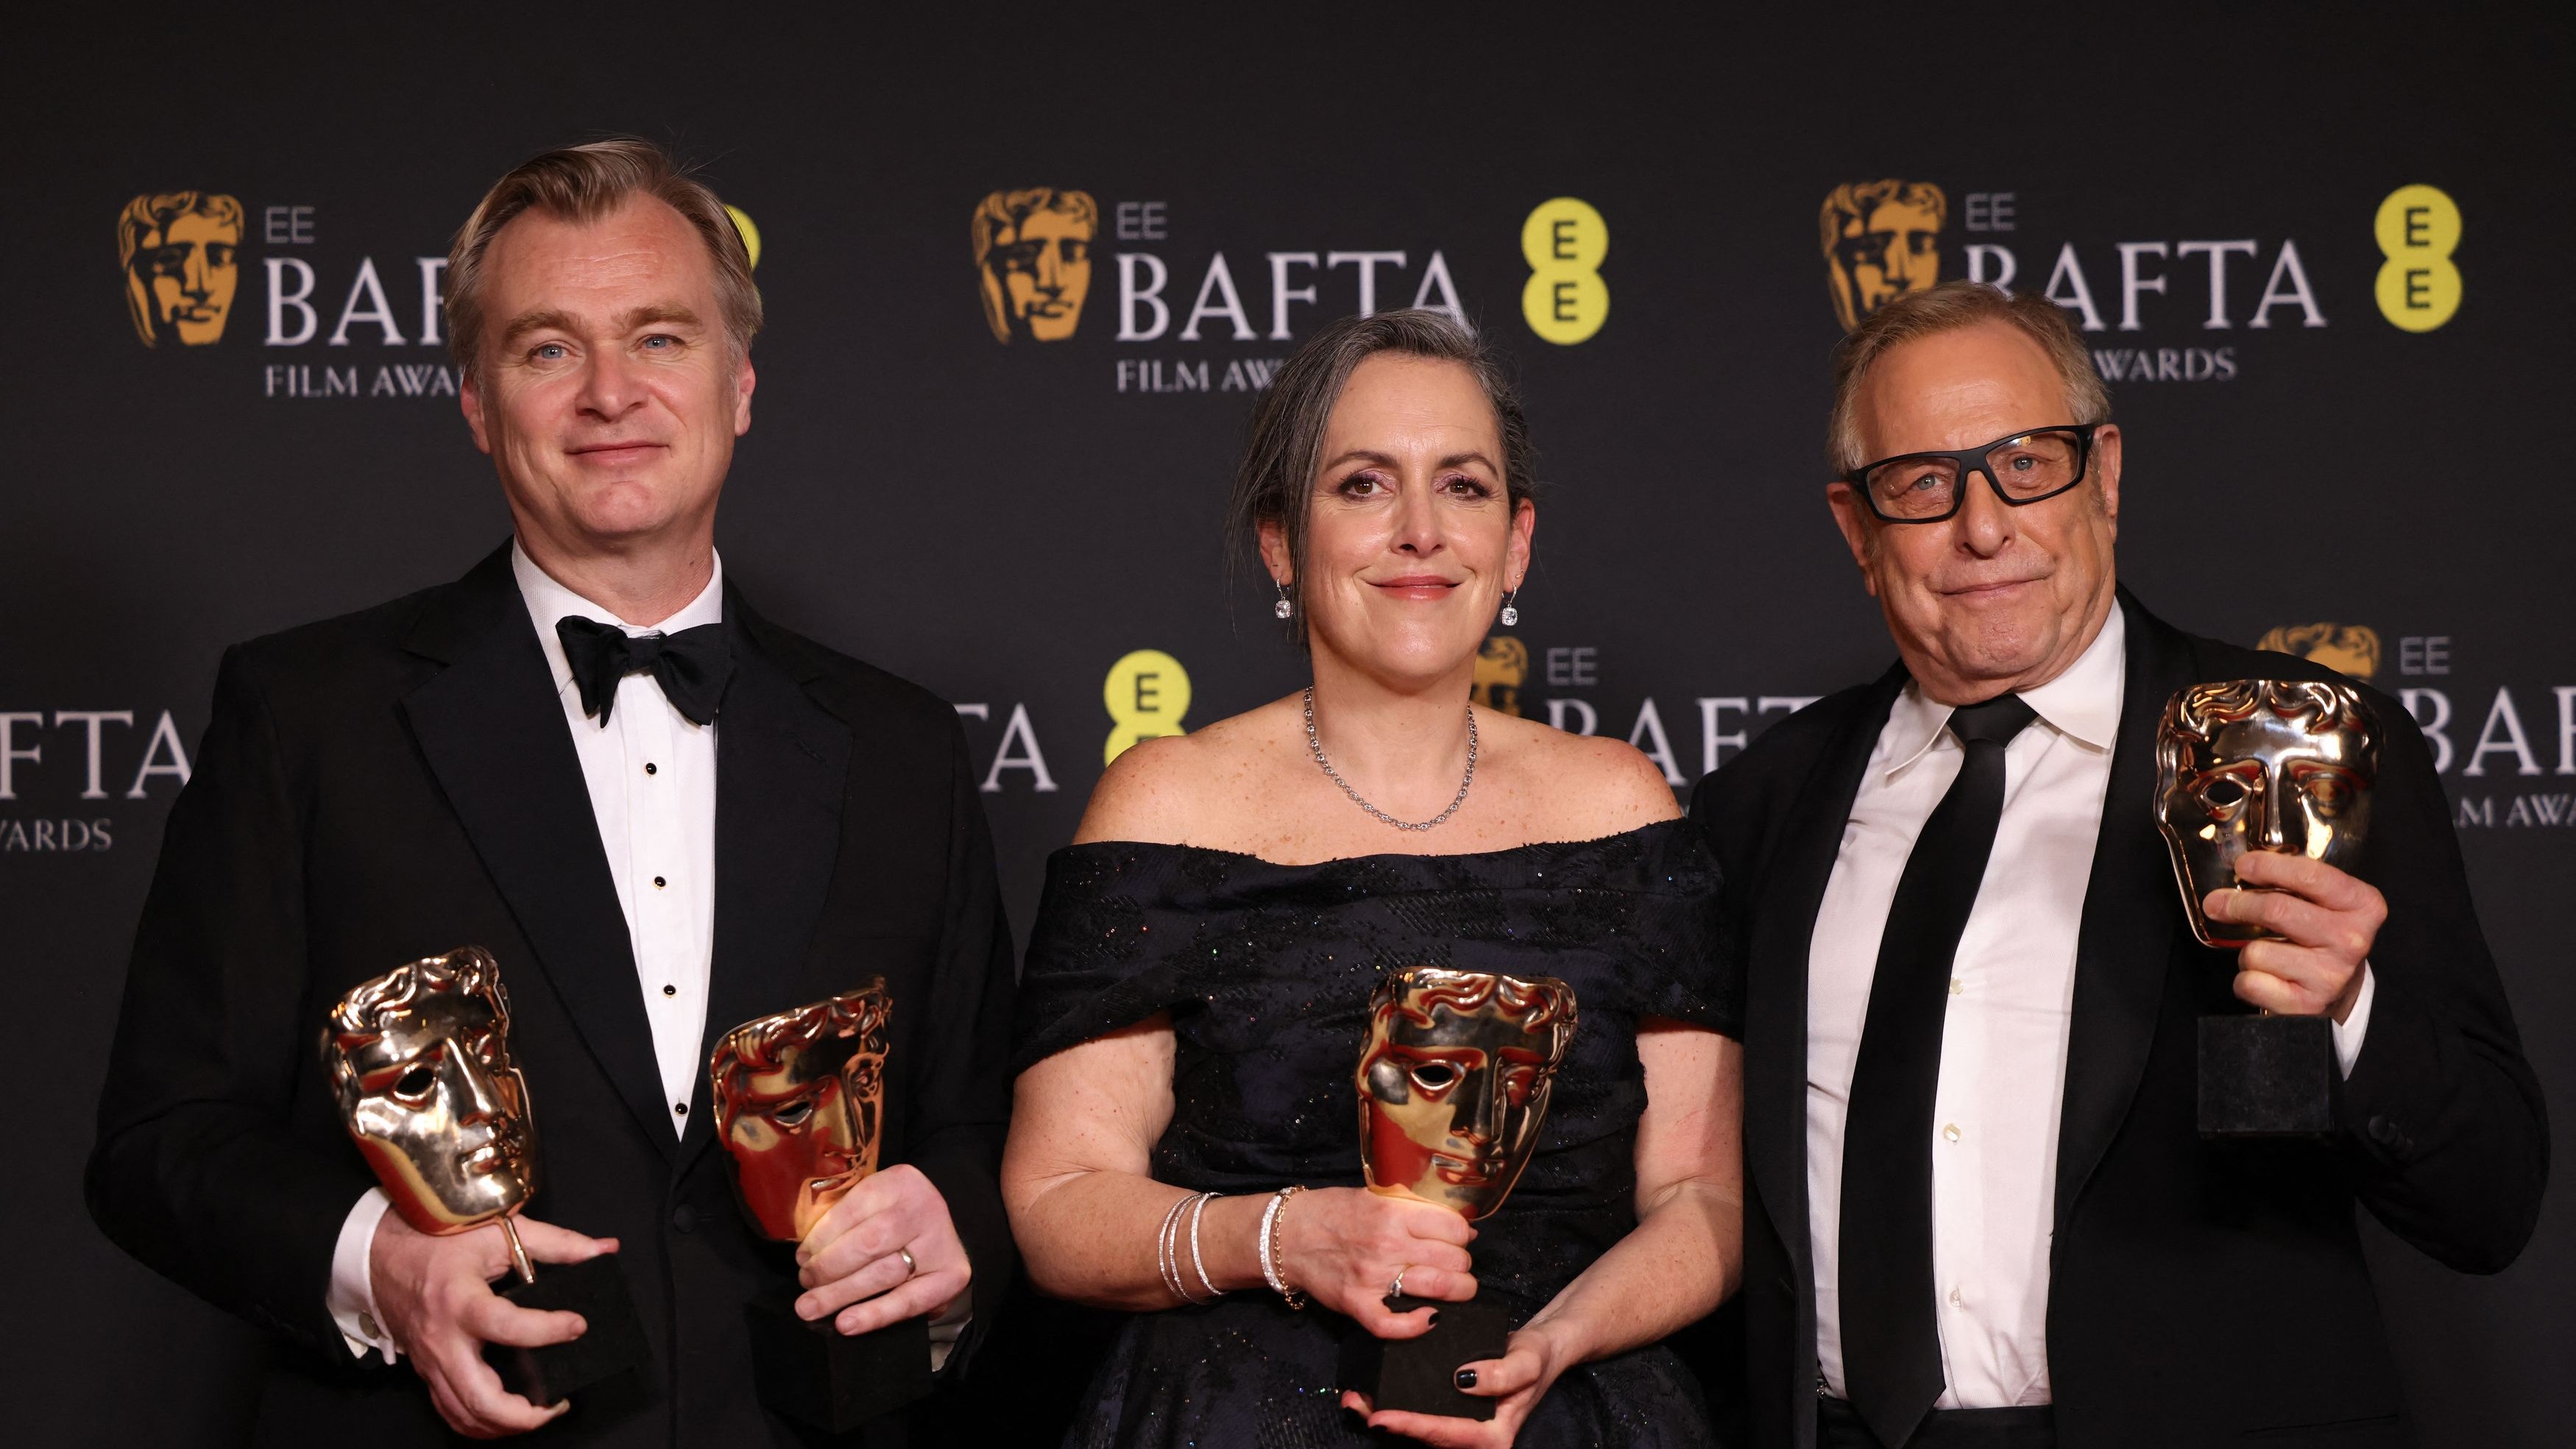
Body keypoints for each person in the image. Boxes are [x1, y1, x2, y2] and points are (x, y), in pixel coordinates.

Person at [87, 138, 1018, 1446]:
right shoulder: (307, 716)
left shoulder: (902, 746)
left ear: (740, 385)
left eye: (660, 338)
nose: (610, 394)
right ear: (475, 401)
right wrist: (382, 1266)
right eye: (546, 349)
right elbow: (162, 1137)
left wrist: (956, 1223)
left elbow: (983, 1127)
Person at [1693, 280, 2547, 1449]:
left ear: (2103, 471)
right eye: (1925, 482)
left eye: (2026, 462)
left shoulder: (2301, 747)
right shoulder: (1767, 799)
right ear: (1858, 526)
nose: (1983, 525)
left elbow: (2490, 1202)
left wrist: (2349, 1010)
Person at [1002, 309, 1744, 1448]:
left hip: (1576, 1415)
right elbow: (1059, 1202)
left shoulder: (1623, 805)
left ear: (1519, 542)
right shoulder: (1165, 803)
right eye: (1361, 484)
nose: (1419, 532)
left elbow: (1702, 1197)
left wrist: (1562, 1337)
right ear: (1280, 543)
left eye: (1463, 486)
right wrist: (1285, 1236)